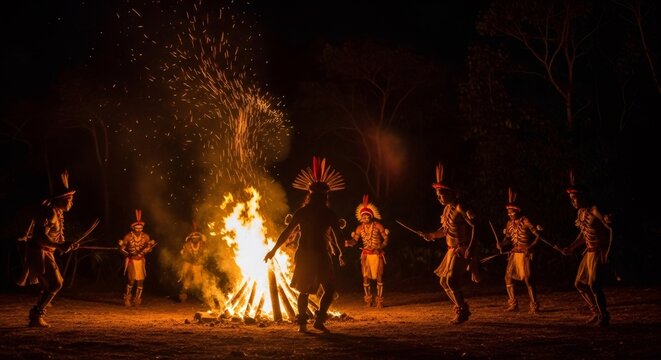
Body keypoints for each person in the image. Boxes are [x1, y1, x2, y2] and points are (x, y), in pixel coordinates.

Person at [264, 156, 346, 333]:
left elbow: (287, 232)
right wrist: (340, 252)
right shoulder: (327, 213)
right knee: (327, 289)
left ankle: (305, 323)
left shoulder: (304, 212)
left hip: (308, 255)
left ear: (311, 195)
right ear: (324, 196)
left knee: (305, 290)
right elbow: (338, 236)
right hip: (317, 255)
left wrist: (273, 250)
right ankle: (316, 320)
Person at [17, 170, 79, 327]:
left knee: (52, 284)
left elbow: (53, 237)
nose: (72, 203)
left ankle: (36, 315)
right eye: (70, 200)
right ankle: (36, 315)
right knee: (56, 284)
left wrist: (67, 244)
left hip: (43, 251)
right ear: (62, 199)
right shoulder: (50, 213)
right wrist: (59, 246)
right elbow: (39, 237)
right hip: (38, 251)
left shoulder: (57, 213)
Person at [422, 163, 478, 325]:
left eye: (441, 194)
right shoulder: (446, 210)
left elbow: (475, 225)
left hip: (462, 248)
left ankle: (462, 311)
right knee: (443, 281)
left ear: (450, 193)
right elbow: (445, 230)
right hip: (451, 250)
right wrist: (432, 235)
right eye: (437, 195)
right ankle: (461, 308)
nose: (439, 198)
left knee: (452, 280)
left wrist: (471, 247)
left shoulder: (461, 207)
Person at [561, 173, 613, 327]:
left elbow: (608, 227)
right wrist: (571, 247)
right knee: (580, 284)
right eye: (570, 199)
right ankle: (595, 311)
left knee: (595, 285)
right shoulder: (581, 213)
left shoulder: (594, 210)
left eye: (574, 198)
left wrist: (607, 220)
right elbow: (583, 235)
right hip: (588, 252)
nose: (572, 201)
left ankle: (604, 316)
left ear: (583, 196)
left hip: (598, 251)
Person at [496, 187, 541, 314]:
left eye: (511, 212)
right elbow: (508, 239)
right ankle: (513, 303)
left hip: (526, 253)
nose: (509, 214)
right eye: (508, 212)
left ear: (517, 210)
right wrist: (501, 244)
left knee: (528, 279)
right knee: (508, 278)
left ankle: (534, 305)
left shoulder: (526, 221)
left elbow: (538, 236)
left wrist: (530, 247)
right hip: (514, 253)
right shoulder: (509, 224)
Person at [345, 194, 389, 308]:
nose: (364, 218)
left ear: (371, 216)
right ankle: (368, 300)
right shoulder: (359, 228)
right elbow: (355, 240)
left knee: (379, 276)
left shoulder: (378, 225)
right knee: (365, 277)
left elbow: (386, 239)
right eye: (362, 216)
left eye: (366, 216)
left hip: (377, 254)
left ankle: (379, 300)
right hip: (366, 255)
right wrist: (349, 243)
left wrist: (380, 247)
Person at [119, 209, 156, 307]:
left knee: (140, 281)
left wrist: (149, 248)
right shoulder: (128, 237)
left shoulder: (146, 237)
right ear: (133, 228)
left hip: (141, 261)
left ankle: (137, 299)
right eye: (137, 228)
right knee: (131, 280)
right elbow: (122, 249)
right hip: (131, 260)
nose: (139, 230)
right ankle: (127, 298)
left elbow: (149, 249)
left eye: (141, 228)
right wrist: (129, 254)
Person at [178, 224, 208, 302]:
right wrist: (191, 260)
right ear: (191, 239)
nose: (195, 239)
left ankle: (204, 297)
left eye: (197, 238)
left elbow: (205, 255)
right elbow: (183, 255)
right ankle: (183, 296)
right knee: (186, 280)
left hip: (198, 264)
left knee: (199, 281)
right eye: (194, 238)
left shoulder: (202, 245)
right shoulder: (187, 246)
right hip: (189, 263)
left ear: (199, 239)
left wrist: (199, 261)